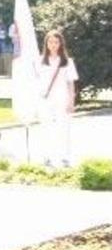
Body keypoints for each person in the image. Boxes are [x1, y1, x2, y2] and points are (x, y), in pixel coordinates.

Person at [36, 30, 78, 167]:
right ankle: (46, 156)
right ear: (46, 44)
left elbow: (71, 83)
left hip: (62, 97)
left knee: (63, 127)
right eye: (50, 42)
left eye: (56, 42)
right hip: (46, 98)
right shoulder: (40, 61)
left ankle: (65, 157)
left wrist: (71, 102)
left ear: (60, 44)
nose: (53, 45)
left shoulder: (67, 62)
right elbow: (36, 81)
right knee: (45, 127)